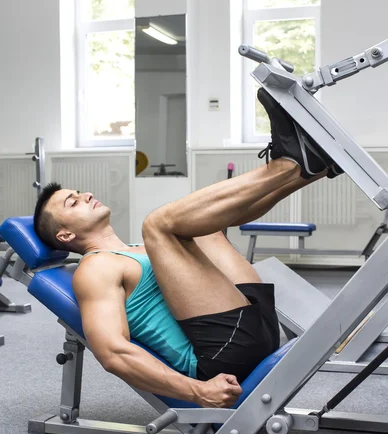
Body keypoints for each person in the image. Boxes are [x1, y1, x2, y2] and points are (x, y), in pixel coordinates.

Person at [33, 89, 339, 408]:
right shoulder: (95, 268)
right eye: (74, 201)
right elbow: (112, 352)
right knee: (157, 223)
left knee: (202, 228)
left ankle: (309, 171)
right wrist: (197, 391)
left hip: (253, 322)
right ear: (66, 235)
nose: (86, 196)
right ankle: (288, 165)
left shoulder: (137, 251)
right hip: (221, 359)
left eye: (80, 192)